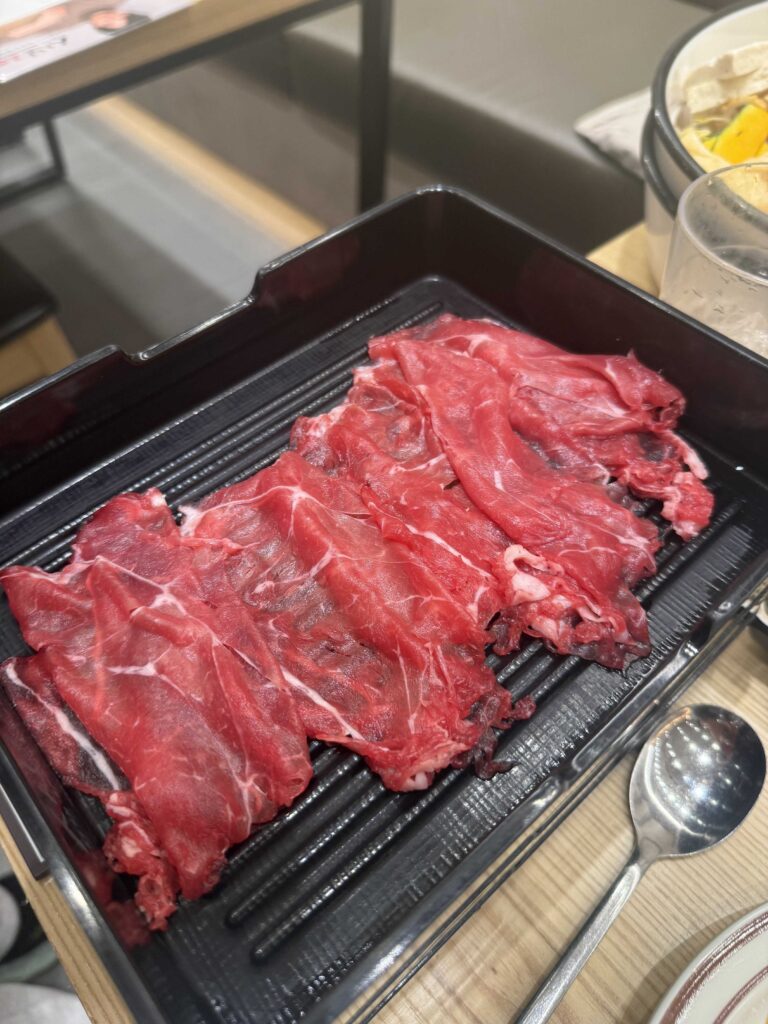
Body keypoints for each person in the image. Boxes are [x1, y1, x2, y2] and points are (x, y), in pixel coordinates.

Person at [0, 2, 147, 41]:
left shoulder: (70, 22)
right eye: (112, 17)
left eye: (106, 25)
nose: (104, 19)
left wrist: (41, 23)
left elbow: (12, 35)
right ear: (123, 13)